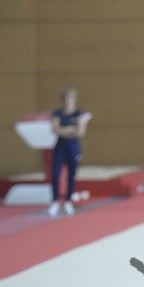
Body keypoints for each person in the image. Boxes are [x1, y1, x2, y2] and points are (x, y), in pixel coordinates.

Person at [49, 87, 92, 216]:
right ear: (62, 100)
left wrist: (65, 131)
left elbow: (80, 132)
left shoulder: (78, 114)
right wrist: (70, 131)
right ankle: (55, 201)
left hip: (73, 146)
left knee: (71, 174)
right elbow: (55, 129)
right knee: (55, 174)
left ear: (74, 100)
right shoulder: (58, 113)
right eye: (66, 99)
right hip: (60, 146)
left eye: (71, 98)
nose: (68, 101)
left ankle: (68, 201)